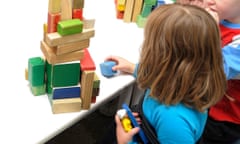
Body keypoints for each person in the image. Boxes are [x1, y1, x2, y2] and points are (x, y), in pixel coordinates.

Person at [106, 3, 227, 144]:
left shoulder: (173, 121)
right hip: (145, 124)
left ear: (165, 60)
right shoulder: (182, 82)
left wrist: (124, 141)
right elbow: (156, 76)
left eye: (150, 44)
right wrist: (132, 68)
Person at [176, 0, 240, 143]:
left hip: (224, 119)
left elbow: (211, 70)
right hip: (201, 103)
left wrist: (206, 28)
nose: (209, 1)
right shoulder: (220, 17)